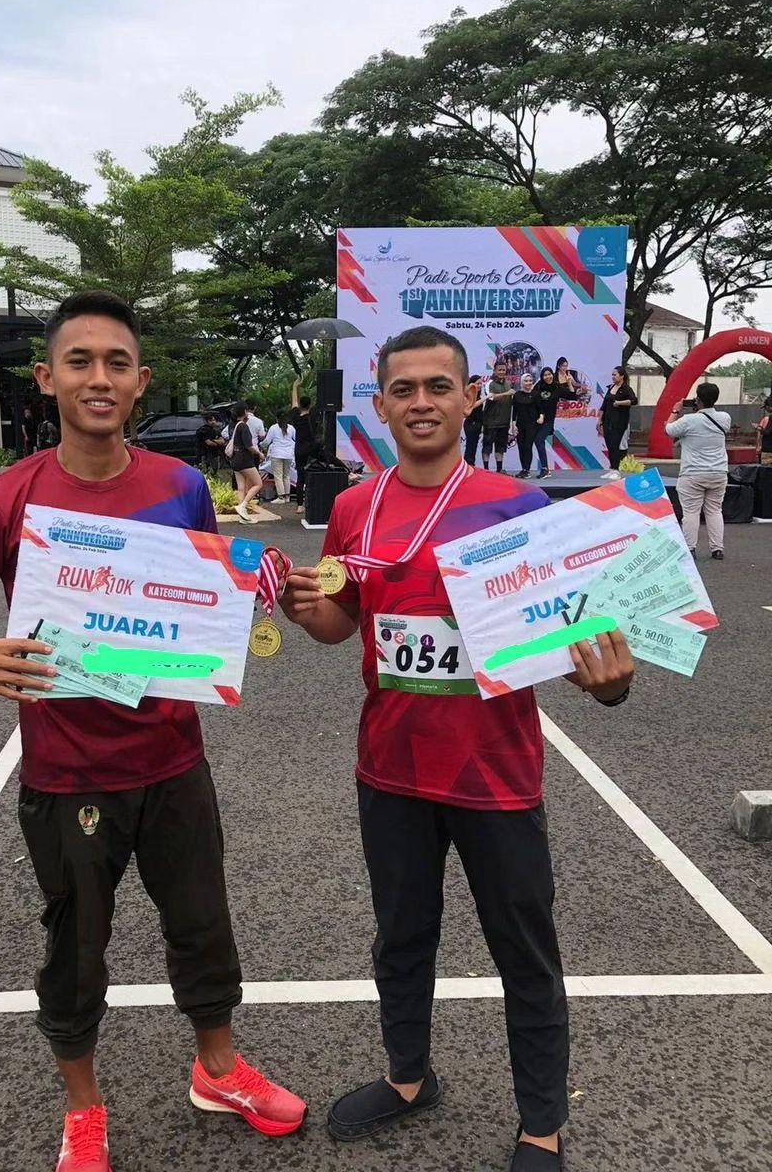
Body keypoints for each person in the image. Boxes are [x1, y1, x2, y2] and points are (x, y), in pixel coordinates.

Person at [0, 291, 305, 1172]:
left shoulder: (181, 487)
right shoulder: (4, 501)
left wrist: (259, 586)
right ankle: (83, 1109)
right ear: (47, 379)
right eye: (80, 361)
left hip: (174, 761)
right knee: (76, 951)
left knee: (203, 924)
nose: (99, 377)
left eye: (117, 363)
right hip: (68, 773)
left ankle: (219, 1070)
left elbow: (207, 595)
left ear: (140, 382)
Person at [279, 324, 634, 1172]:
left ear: (472, 398)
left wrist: (608, 681)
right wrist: (303, 609)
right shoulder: (354, 509)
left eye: (439, 386)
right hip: (390, 770)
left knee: (525, 952)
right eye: (403, 389)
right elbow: (342, 622)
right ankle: (408, 1077)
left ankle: (542, 1124)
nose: (421, 402)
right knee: (401, 938)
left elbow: (572, 644)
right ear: (379, 405)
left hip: (495, 776)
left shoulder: (519, 508)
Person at [666, 381, 732, 560]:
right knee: (714, 510)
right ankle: (717, 549)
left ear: (698, 400)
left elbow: (669, 430)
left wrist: (675, 411)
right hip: (718, 472)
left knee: (691, 512)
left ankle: (690, 548)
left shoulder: (688, 420)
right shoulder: (725, 418)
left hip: (692, 473)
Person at [532, 367, 576, 479]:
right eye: (545, 375)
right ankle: (537, 469)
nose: (548, 377)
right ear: (542, 377)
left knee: (539, 440)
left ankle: (545, 469)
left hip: (548, 420)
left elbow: (572, 396)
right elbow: (531, 397)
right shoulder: (538, 386)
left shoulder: (557, 387)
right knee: (537, 442)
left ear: (553, 374)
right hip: (536, 419)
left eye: (549, 374)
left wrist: (569, 383)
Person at [598, 367, 638, 479]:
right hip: (607, 420)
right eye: (612, 375)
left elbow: (634, 401)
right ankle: (612, 469)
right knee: (610, 445)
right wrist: (599, 419)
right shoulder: (611, 387)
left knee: (616, 445)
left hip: (619, 421)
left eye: (615, 375)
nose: (613, 377)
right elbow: (604, 405)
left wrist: (620, 403)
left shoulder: (626, 389)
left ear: (621, 376)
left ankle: (616, 470)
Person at [227, 403, 264, 524]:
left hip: (235, 459)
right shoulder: (243, 426)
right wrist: (259, 453)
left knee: (241, 487)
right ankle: (243, 506)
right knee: (258, 483)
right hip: (245, 460)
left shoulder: (234, 425)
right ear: (243, 412)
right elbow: (249, 446)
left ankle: (243, 516)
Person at [291, 381, 319, 514]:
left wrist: (295, 387)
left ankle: (300, 505)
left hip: (299, 450)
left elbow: (294, 403)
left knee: (300, 478)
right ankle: (313, 502)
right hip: (312, 450)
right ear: (310, 405)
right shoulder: (313, 416)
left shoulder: (296, 418)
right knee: (314, 475)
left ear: (300, 406)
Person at [481, 360, 514, 473]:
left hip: (504, 422)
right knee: (487, 447)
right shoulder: (489, 383)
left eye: (503, 370)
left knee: (500, 448)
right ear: (494, 370)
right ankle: (486, 470)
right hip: (490, 422)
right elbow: (491, 397)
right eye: (499, 370)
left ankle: (499, 470)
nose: (501, 372)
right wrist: (506, 394)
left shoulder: (508, 384)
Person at [262, 412, 296, 503]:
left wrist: (261, 445)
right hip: (288, 455)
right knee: (287, 475)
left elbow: (267, 441)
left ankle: (281, 497)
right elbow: (295, 439)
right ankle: (287, 496)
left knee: (278, 476)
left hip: (277, 454)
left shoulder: (273, 428)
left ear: (276, 418)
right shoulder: (291, 428)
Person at [511, 373, 539, 479]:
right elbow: (514, 411)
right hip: (520, 425)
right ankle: (523, 469)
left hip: (532, 425)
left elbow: (540, 409)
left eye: (530, 381)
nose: (528, 383)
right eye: (526, 381)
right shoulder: (517, 395)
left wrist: (541, 417)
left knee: (528, 446)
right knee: (521, 447)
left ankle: (527, 470)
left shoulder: (536, 394)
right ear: (522, 382)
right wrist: (513, 424)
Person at [462, 374, 483, 466]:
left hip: (478, 423)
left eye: (481, 384)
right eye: (477, 383)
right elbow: (472, 406)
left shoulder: (479, 395)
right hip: (471, 423)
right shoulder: (468, 395)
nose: (479, 385)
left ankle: (471, 463)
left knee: (473, 446)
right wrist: (485, 398)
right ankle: (468, 464)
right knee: (470, 445)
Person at [755, 396, 772, 467]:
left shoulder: (768, 419)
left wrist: (758, 428)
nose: (765, 410)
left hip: (768, 450)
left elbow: (767, 432)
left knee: (766, 470)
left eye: (766, 407)